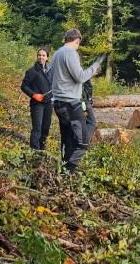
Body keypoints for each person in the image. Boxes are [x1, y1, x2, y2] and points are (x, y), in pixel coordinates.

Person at [50, 28, 104, 173]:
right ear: (77, 41)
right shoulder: (70, 52)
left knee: (67, 139)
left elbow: (52, 76)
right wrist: (96, 65)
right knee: (82, 142)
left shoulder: (57, 53)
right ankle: (68, 171)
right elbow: (80, 77)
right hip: (70, 104)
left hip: (59, 102)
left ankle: (63, 170)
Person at [21, 48, 53, 150]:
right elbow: (24, 86)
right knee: (37, 129)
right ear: (37, 56)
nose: (41, 57)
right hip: (37, 104)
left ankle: (42, 150)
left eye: (43, 55)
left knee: (45, 129)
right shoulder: (32, 71)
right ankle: (34, 151)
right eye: (39, 55)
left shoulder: (50, 71)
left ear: (47, 57)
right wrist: (34, 95)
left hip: (48, 104)